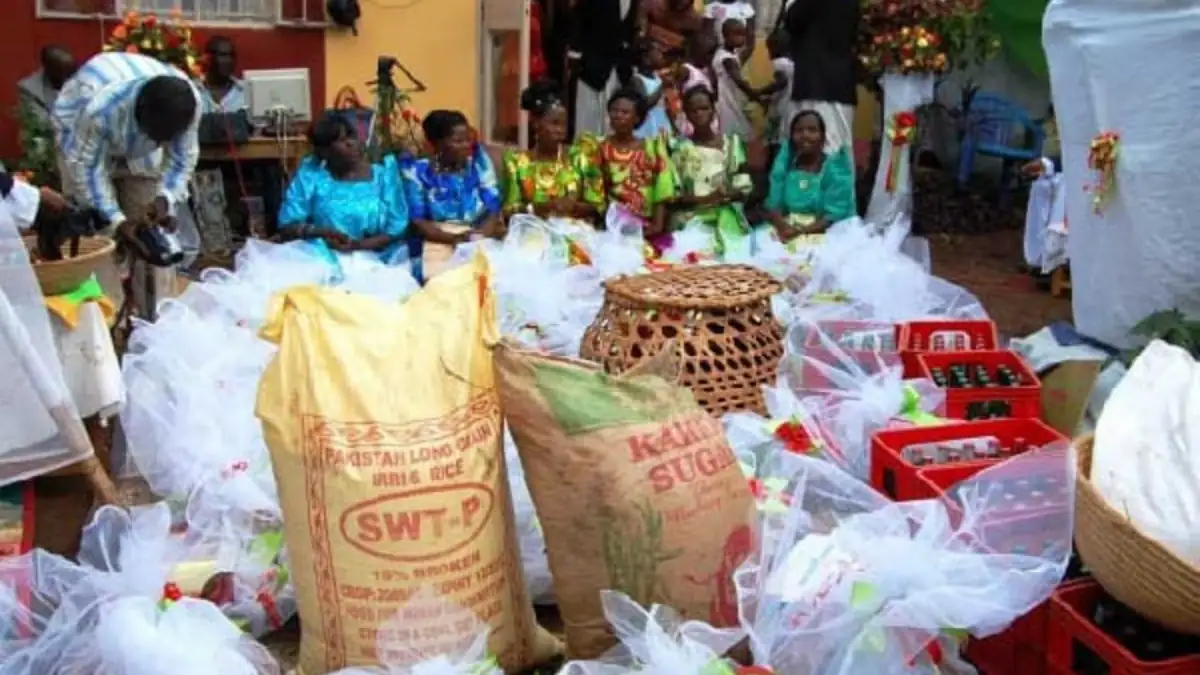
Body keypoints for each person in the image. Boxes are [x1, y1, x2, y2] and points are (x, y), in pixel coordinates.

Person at [52, 52, 202, 318]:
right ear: (141, 115)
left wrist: (164, 200)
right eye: (158, 136)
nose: (163, 142)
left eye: (167, 138)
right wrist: (118, 222)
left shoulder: (187, 105)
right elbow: (86, 172)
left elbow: (183, 160)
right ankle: (105, 322)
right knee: (96, 238)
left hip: (139, 150)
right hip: (79, 137)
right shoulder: (99, 110)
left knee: (153, 236)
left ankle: (159, 322)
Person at [277, 113, 409, 272]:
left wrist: (358, 245)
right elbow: (287, 226)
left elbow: (397, 227)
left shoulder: (384, 177)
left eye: (352, 136)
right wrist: (322, 233)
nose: (351, 144)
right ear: (324, 151)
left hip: (378, 259)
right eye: (341, 140)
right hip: (322, 259)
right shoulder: (310, 178)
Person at [401, 110, 503, 280]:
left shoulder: (478, 164)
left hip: (478, 237)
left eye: (467, 139)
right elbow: (417, 221)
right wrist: (454, 239)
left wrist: (478, 237)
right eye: (458, 141)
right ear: (437, 144)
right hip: (436, 242)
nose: (466, 146)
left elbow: (493, 206)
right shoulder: (417, 172)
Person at [668, 86, 755, 257]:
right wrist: (709, 199)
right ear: (686, 114)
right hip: (690, 219)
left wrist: (727, 194)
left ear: (714, 110)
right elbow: (675, 196)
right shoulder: (679, 148)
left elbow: (743, 187)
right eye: (694, 110)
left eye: (704, 108)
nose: (700, 114)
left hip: (725, 216)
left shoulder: (731, 144)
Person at [583, 87, 675, 247]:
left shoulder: (652, 147)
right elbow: (595, 194)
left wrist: (657, 226)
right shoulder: (599, 148)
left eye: (625, 112)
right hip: (613, 227)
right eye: (614, 111)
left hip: (648, 227)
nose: (618, 116)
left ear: (637, 118)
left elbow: (663, 188)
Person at [502, 82, 598, 234]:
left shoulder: (579, 157)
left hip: (575, 235)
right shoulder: (517, 162)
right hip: (533, 236)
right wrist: (541, 208)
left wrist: (574, 206)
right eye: (554, 124)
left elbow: (597, 206)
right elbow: (509, 211)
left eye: (564, 125)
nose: (560, 131)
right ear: (536, 123)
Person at [785, 0, 860, 166]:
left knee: (819, 148)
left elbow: (793, 20)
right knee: (840, 146)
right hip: (840, 80)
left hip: (816, 80)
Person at [763, 110, 856, 244]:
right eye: (799, 131)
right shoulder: (785, 165)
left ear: (823, 137)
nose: (805, 135)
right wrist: (782, 226)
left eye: (812, 130)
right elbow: (773, 204)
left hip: (825, 233)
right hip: (786, 229)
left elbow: (833, 216)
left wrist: (800, 232)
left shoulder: (835, 168)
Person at [568, 0, 640, 137]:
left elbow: (629, 29)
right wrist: (575, 53)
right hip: (592, 66)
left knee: (615, 115)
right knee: (589, 116)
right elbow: (579, 19)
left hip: (619, 67)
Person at [712, 19, 769, 140]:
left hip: (732, 102)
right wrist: (759, 99)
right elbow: (740, 82)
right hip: (727, 104)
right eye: (737, 34)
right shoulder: (726, 59)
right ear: (726, 35)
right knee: (733, 139)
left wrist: (751, 31)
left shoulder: (731, 55)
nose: (741, 38)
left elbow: (749, 49)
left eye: (743, 34)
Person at [18, 46, 76, 124]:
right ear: (50, 70)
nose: (68, 78)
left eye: (71, 71)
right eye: (63, 72)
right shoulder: (29, 90)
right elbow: (39, 124)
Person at [762, 31, 795, 159]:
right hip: (790, 108)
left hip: (778, 110)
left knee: (773, 143)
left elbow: (781, 82)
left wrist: (759, 91)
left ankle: (771, 171)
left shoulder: (779, 63)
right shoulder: (792, 64)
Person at [633, 38, 672, 140]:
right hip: (647, 130)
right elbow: (644, 104)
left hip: (661, 128)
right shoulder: (637, 80)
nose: (661, 55)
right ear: (646, 57)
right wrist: (662, 87)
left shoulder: (657, 78)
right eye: (658, 51)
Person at [200, 36, 246, 113]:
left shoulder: (245, 92)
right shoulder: (194, 91)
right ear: (208, 58)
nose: (228, 60)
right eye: (222, 55)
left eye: (231, 56)